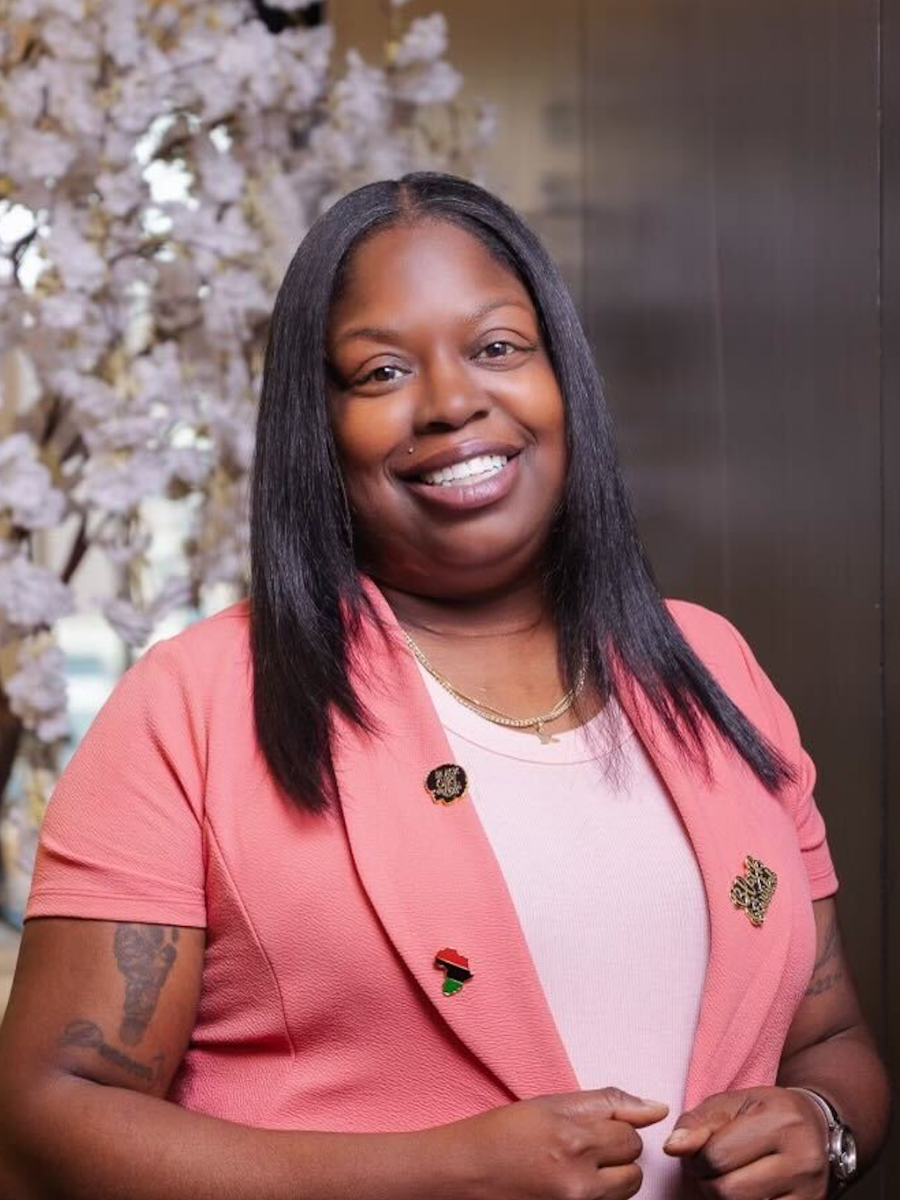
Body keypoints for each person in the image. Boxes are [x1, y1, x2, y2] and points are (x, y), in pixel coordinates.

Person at [0, 172, 889, 1200]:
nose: (453, 401)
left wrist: (821, 1126)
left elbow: (830, 1039)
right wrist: (436, 1175)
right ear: (319, 424)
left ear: (564, 376)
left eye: (498, 347)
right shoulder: (194, 704)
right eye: (380, 371)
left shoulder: (709, 664)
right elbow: (42, 1127)